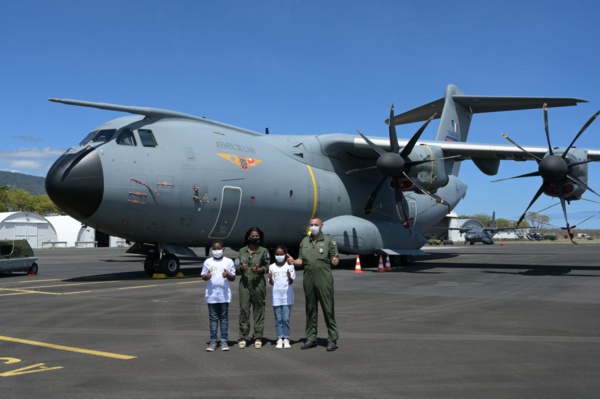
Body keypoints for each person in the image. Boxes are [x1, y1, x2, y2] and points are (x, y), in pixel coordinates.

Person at [292, 217, 340, 351]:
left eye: (316, 224)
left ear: (321, 226)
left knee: (328, 308)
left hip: (323, 278)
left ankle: (332, 338)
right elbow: (301, 260)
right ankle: (311, 337)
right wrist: (294, 261)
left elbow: (333, 257)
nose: (313, 226)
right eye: (311, 224)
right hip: (308, 278)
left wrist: (335, 260)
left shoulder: (328, 240)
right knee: (310, 309)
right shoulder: (305, 241)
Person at [236, 227, 270, 349]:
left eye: (256, 236)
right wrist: (241, 268)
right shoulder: (242, 251)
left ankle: (258, 336)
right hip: (244, 284)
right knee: (244, 309)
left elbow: (267, 267)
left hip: (258, 283)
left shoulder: (263, 251)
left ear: (259, 237)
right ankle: (243, 336)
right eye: (252, 236)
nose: (254, 238)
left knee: (259, 309)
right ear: (248, 237)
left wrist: (260, 270)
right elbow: (236, 268)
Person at [201, 240, 236, 352]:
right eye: (214, 249)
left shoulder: (228, 261)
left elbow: (233, 277)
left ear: (223, 249)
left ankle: (224, 341)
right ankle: (213, 341)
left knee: (224, 318)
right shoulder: (208, 261)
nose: (216, 251)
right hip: (211, 295)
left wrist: (227, 275)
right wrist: (207, 276)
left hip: (224, 295)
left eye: (218, 248)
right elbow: (203, 276)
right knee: (213, 319)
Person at [268, 245, 296, 349]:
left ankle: (286, 338)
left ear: (285, 254)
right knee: (278, 319)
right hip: (276, 296)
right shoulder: (271, 267)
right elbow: (271, 283)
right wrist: (270, 279)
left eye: (281, 254)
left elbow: (292, 281)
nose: (279, 256)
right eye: (277, 254)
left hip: (287, 296)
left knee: (286, 318)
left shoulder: (290, 266)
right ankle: (280, 338)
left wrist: (289, 276)